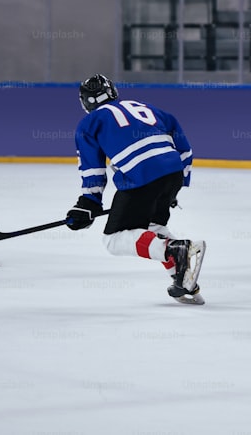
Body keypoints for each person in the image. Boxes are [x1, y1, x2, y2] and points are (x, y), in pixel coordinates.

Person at [64, 74, 206, 304]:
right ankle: (185, 282)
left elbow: (93, 171)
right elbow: (185, 148)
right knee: (154, 226)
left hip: (141, 176)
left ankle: (176, 251)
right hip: (173, 172)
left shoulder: (88, 123)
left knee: (114, 239)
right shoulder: (148, 108)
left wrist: (88, 203)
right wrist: (176, 186)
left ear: (86, 102)